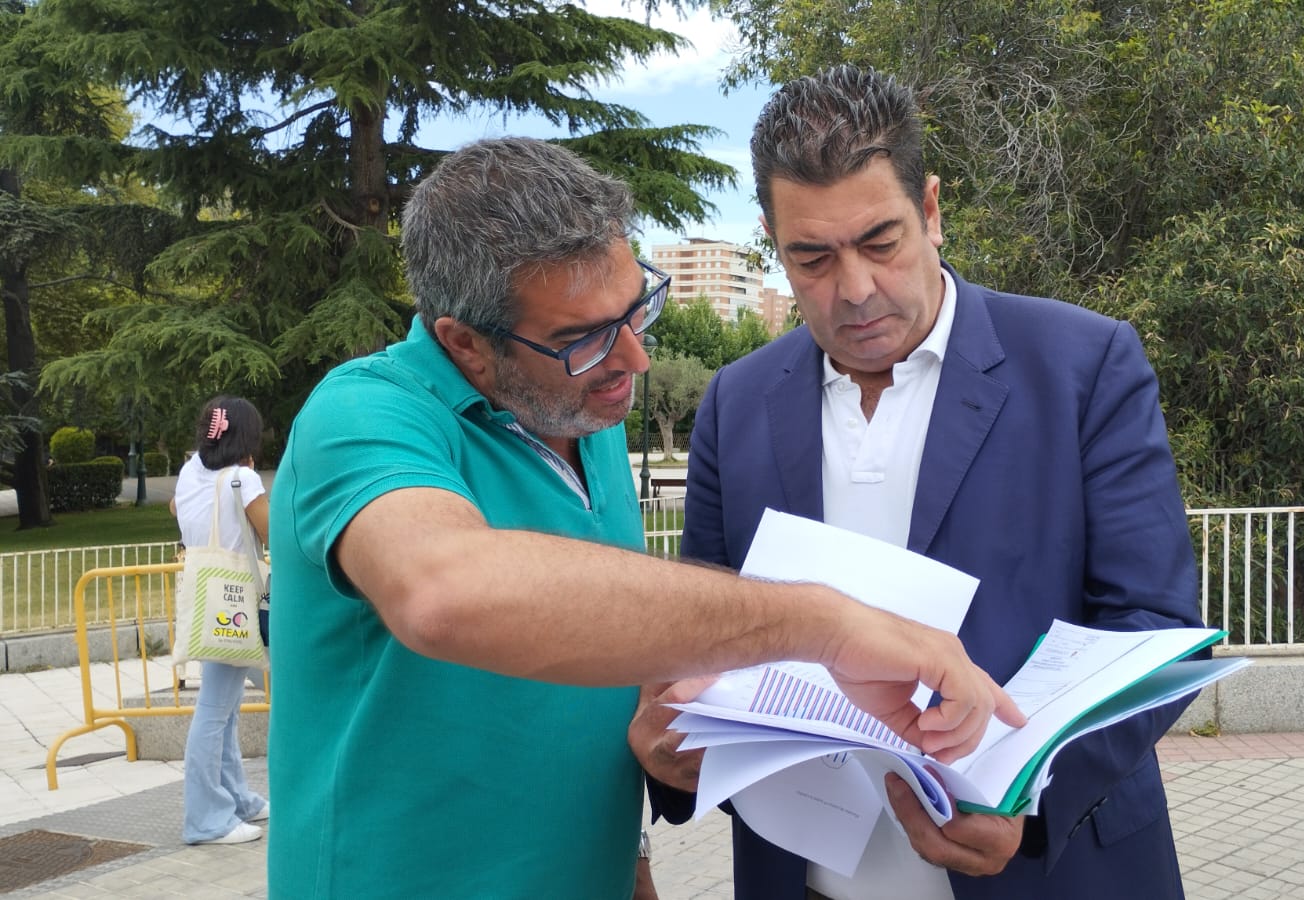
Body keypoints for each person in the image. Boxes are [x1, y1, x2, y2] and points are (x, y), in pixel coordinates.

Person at [265, 136, 1022, 899]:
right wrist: (825, 625)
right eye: (582, 339)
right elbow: (442, 592)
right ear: (465, 343)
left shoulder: (582, 412)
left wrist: (635, 856)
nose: (635, 359)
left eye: (634, 311)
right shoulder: (361, 415)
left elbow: (582, 648)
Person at [632, 65, 1207, 899]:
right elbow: (708, 637)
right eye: (812, 258)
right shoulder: (736, 400)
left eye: (881, 242)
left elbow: (1154, 626)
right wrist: (673, 737)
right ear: (771, 240)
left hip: (1050, 876)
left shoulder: (1082, 366)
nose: (855, 290)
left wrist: (1031, 796)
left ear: (931, 210)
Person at [171, 395, 271, 845]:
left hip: (203, 594)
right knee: (215, 710)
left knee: (224, 708)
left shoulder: (190, 472)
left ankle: (236, 799)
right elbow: (275, 532)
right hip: (234, 600)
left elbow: (176, 510)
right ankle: (206, 819)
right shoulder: (242, 480)